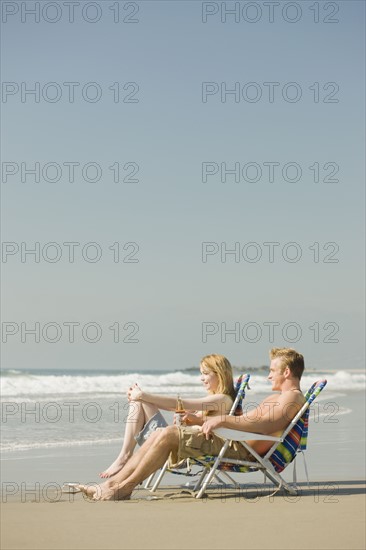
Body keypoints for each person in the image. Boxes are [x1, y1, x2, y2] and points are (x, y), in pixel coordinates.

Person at [77, 347, 305, 501]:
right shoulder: (278, 398)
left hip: (239, 449)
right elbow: (257, 421)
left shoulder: (292, 397)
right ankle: (114, 485)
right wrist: (210, 420)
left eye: (272, 370)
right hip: (234, 442)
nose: (268, 376)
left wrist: (222, 419)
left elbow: (264, 424)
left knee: (167, 434)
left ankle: (123, 488)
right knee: (164, 433)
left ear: (286, 372)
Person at [99, 353, 236, 478]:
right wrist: (144, 398)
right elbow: (175, 407)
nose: (201, 378)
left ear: (220, 374)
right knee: (139, 401)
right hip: (181, 443)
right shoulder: (215, 399)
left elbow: (182, 403)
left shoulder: (222, 399)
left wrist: (142, 395)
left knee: (139, 400)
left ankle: (126, 456)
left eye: (205, 373)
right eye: (201, 373)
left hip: (183, 447)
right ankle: (125, 455)